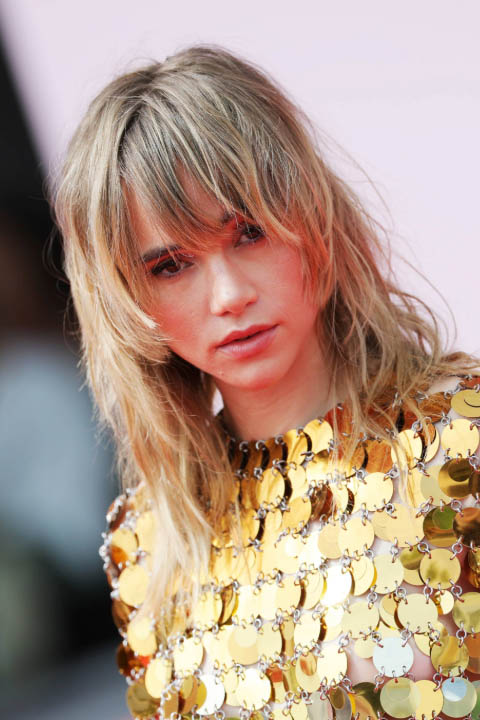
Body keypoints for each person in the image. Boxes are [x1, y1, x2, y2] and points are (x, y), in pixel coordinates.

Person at [53, 44, 480, 720]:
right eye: (171, 265)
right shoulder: (148, 544)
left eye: (248, 233)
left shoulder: (460, 436)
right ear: (125, 299)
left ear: (314, 217)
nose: (229, 295)